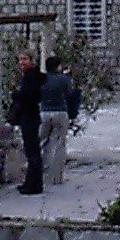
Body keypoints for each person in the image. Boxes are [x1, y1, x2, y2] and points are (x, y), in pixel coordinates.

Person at [12, 50, 46, 194]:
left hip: (29, 115)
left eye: (25, 59)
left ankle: (34, 185)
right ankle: (30, 182)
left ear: (32, 60)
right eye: (20, 59)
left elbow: (29, 96)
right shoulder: (30, 76)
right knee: (31, 151)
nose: (22, 62)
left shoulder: (32, 77)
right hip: (29, 115)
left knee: (32, 152)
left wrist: (16, 95)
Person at [38, 56, 75, 185]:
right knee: (60, 144)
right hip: (60, 111)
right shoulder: (63, 79)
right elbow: (70, 93)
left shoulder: (41, 79)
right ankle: (57, 177)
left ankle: (41, 172)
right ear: (58, 66)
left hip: (44, 112)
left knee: (42, 143)